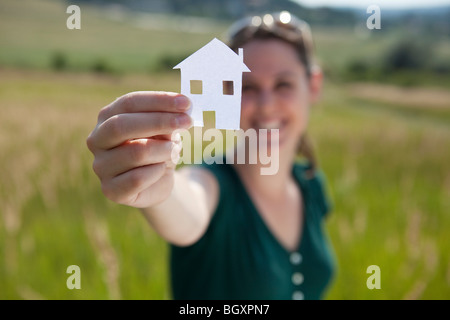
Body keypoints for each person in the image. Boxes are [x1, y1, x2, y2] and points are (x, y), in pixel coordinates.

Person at [86, 11, 336, 300]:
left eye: (283, 85)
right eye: (248, 87)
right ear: (227, 93)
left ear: (313, 85)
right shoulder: (212, 183)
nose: (267, 106)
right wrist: (156, 186)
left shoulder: (310, 185)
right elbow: (189, 206)